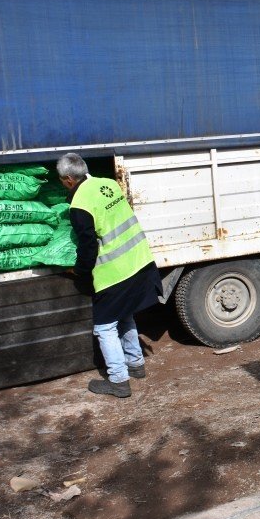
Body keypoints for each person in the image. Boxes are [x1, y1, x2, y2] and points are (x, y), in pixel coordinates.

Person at [57, 153, 162, 399]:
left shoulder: (79, 204)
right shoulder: (108, 183)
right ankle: (136, 364)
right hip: (139, 260)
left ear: (69, 180)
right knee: (124, 314)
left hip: (113, 271)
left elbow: (87, 246)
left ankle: (118, 380)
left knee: (104, 326)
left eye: (62, 181)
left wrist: (81, 274)